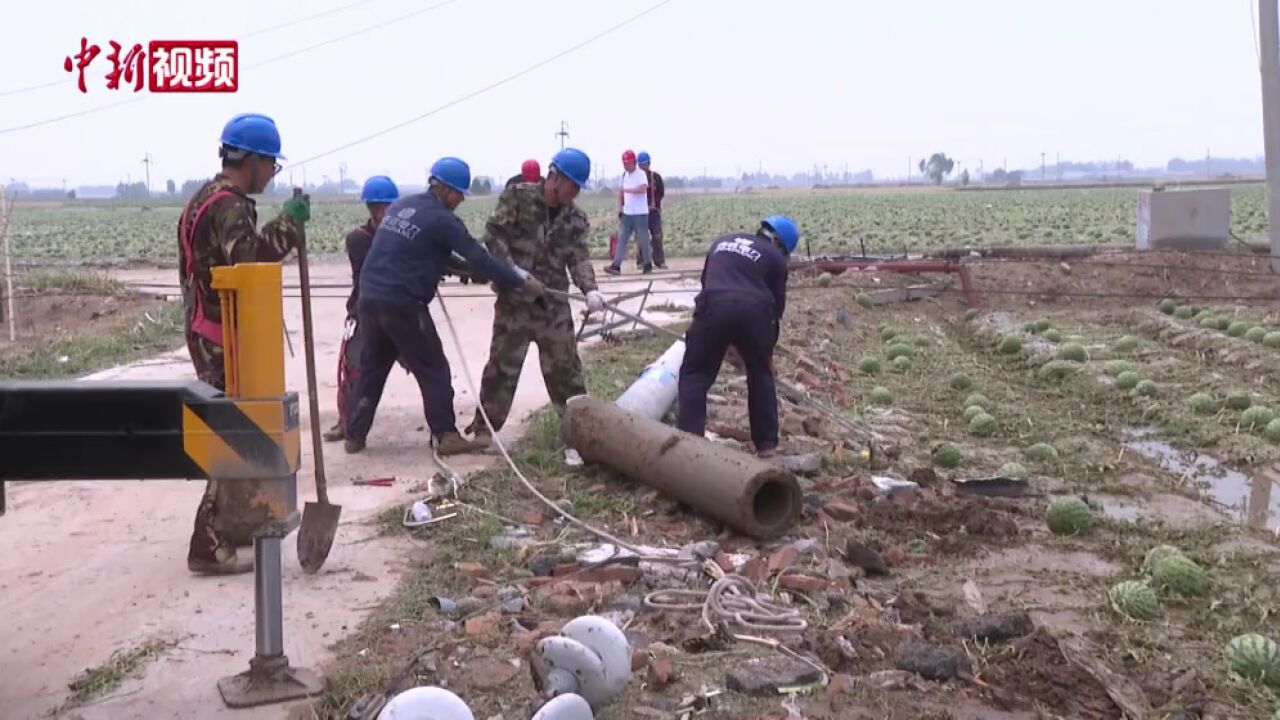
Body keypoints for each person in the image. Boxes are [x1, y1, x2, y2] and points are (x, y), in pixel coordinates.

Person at [178, 112, 309, 575]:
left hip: (204, 327)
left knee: (228, 426)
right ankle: (207, 539)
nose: (272, 174)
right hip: (221, 334)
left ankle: (232, 523)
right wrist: (287, 228)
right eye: (270, 164)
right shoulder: (230, 205)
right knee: (228, 432)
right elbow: (249, 263)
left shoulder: (202, 197)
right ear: (250, 160)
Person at [344, 156, 545, 456]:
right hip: (403, 303)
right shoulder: (443, 219)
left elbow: (429, 252)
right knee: (434, 368)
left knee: (373, 367)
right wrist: (519, 280)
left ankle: (354, 435)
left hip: (369, 299)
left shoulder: (403, 206)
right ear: (447, 190)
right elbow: (479, 257)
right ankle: (446, 434)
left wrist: (467, 270)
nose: (461, 200)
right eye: (460, 194)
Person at [463, 148, 605, 463]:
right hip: (515, 302)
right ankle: (484, 431)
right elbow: (493, 235)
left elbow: (578, 257)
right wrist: (512, 271)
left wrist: (591, 289)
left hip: (552, 306)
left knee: (566, 371)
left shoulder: (576, 219)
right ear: (556, 178)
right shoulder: (518, 197)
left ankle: (577, 436)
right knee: (501, 368)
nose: (576, 193)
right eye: (574, 185)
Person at [676, 215, 798, 458]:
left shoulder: (721, 242)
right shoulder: (775, 258)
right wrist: (762, 355)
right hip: (755, 313)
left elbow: (707, 285)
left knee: (694, 374)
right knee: (760, 374)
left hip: (713, 306)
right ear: (779, 245)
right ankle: (766, 445)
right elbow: (775, 311)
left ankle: (689, 444)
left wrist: (722, 341)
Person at [322, 175, 400, 443]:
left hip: (400, 313)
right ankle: (347, 423)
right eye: (377, 207)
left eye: (386, 206)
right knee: (352, 369)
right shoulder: (359, 239)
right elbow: (377, 265)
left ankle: (442, 429)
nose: (382, 212)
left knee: (428, 367)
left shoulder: (401, 239)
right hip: (363, 313)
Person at [604, 149, 651, 275]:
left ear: (634, 162)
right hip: (627, 213)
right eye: (624, 163)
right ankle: (616, 266)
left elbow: (643, 189)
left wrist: (628, 190)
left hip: (640, 214)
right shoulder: (624, 175)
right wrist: (620, 208)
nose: (626, 165)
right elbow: (621, 192)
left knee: (643, 240)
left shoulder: (640, 174)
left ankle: (647, 263)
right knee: (622, 239)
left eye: (628, 163)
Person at [637, 151, 667, 270]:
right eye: (641, 165)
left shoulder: (656, 177)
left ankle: (660, 261)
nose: (643, 167)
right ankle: (641, 261)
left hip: (654, 213)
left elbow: (661, 192)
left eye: (645, 164)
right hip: (641, 213)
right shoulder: (636, 179)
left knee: (657, 236)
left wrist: (656, 204)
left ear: (649, 164)